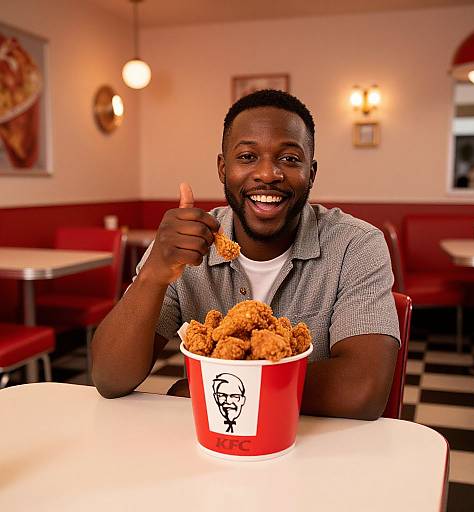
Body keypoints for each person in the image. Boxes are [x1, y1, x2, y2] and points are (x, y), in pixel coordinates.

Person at [92, 89, 400, 420]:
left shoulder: (357, 245)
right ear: (223, 169)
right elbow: (109, 378)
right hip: (215, 450)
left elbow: (362, 389)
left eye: (289, 159)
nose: (268, 174)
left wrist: (202, 389)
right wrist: (154, 273)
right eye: (247, 157)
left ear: (311, 173)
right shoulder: (182, 246)